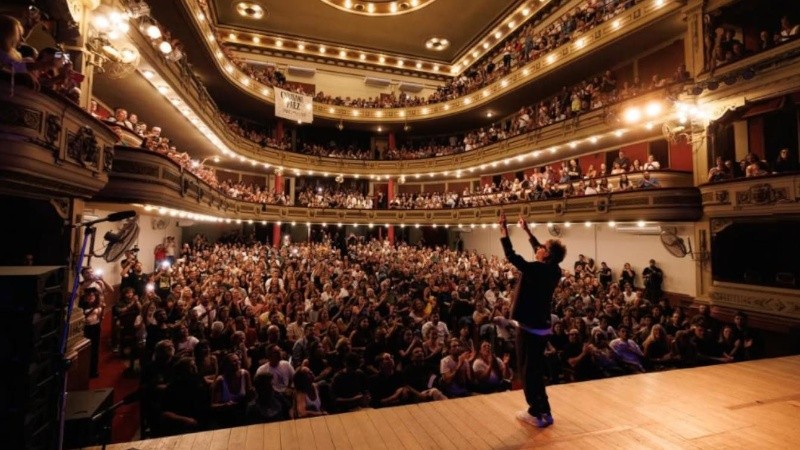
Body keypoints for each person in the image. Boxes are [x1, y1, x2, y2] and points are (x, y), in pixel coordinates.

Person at [499, 213, 566, 428]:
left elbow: (512, 256)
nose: (538, 248)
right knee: (535, 370)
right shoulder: (554, 269)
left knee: (527, 371)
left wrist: (504, 233)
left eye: (542, 247)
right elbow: (540, 249)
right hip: (542, 328)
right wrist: (527, 232)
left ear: (545, 255)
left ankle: (535, 412)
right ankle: (545, 410)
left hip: (529, 328)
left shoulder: (538, 268)